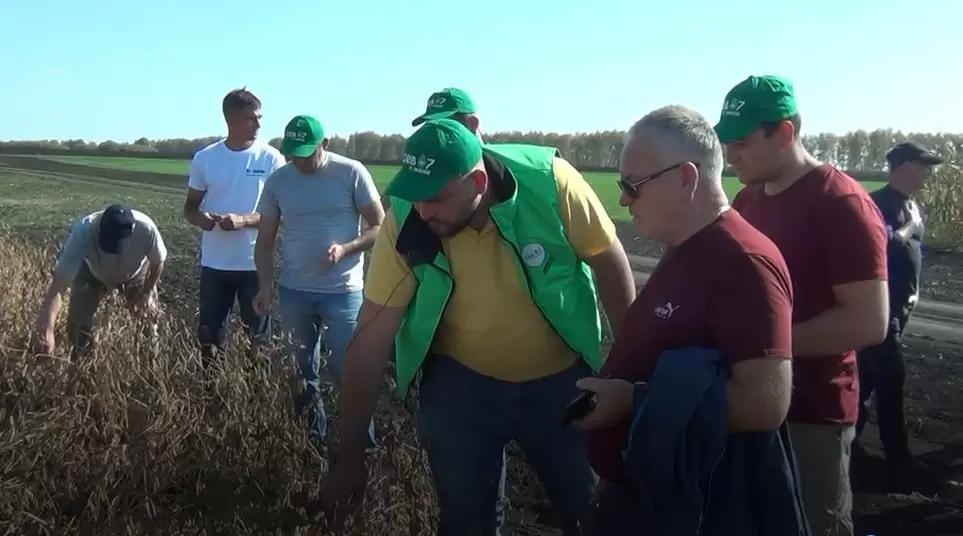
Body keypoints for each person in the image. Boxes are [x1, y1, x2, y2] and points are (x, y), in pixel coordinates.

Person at [319, 118, 636, 535]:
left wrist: (629, 377)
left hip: (562, 381)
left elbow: (609, 265)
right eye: (414, 196)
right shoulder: (406, 223)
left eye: (435, 197)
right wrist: (351, 453)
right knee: (467, 521)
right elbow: (370, 339)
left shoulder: (551, 183)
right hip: (460, 385)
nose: (422, 210)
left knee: (587, 509)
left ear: (478, 181)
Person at [575, 105, 803, 534]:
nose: (623, 198)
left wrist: (631, 402)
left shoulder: (743, 262)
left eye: (632, 185)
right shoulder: (687, 248)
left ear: (686, 178)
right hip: (653, 492)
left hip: (700, 507)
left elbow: (765, 404)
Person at [715, 75, 889, 536]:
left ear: (787, 131)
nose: (731, 156)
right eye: (726, 143)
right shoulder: (747, 199)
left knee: (812, 525)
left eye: (742, 142)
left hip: (813, 411)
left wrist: (764, 349)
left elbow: (869, 321)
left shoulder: (841, 203)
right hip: (750, 401)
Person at [253, 114, 385, 444]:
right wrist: (265, 283)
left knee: (349, 373)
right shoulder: (278, 181)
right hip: (295, 292)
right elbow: (265, 240)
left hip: (343, 292)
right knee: (301, 375)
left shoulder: (351, 173)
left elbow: (380, 227)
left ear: (325, 144)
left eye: (306, 153)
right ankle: (310, 446)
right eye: (293, 153)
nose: (299, 161)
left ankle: (359, 449)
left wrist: (347, 248)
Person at [183, 88, 286, 367]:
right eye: (251, 118)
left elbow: (282, 214)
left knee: (258, 342)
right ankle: (212, 400)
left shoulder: (271, 159)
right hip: (215, 266)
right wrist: (201, 219)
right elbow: (189, 208)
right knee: (210, 339)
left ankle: (255, 403)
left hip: (255, 265)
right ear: (231, 120)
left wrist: (243, 220)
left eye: (259, 118)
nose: (258, 125)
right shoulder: (205, 158)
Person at [856, 142, 943, 466]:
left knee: (866, 380)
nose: (928, 171)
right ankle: (898, 457)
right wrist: (911, 227)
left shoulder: (912, 204)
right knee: (891, 380)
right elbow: (884, 242)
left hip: (899, 309)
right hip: (881, 311)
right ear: (902, 166)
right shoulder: (877, 203)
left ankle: (849, 444)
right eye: (923, 164)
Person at [34, 204, 167, 357]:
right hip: (92, 272)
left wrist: (147, 293)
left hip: (136, 274)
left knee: (147, 321)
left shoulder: (147, 228)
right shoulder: (83, 232)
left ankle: (151, 366)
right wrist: (47, 328)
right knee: (78, 323)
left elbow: (158, 262)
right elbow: (59, 285)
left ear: (132, 231)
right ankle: (81, 367)